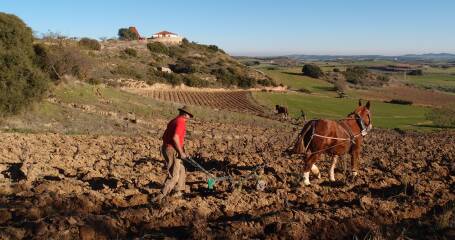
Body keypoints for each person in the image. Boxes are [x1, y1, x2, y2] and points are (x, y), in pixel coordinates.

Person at [154, 106, 193, 202]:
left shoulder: (174, 120)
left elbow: (167, 135)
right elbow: (175, 138)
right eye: (189, 115)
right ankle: (160, 196)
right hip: (172, 149)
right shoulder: (180, 122)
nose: (190, 117)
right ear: (185, 114)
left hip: (170, 148)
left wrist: (182, 151)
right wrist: (180, 152)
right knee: (174, 175)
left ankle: (178, 192)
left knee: (182, 170)